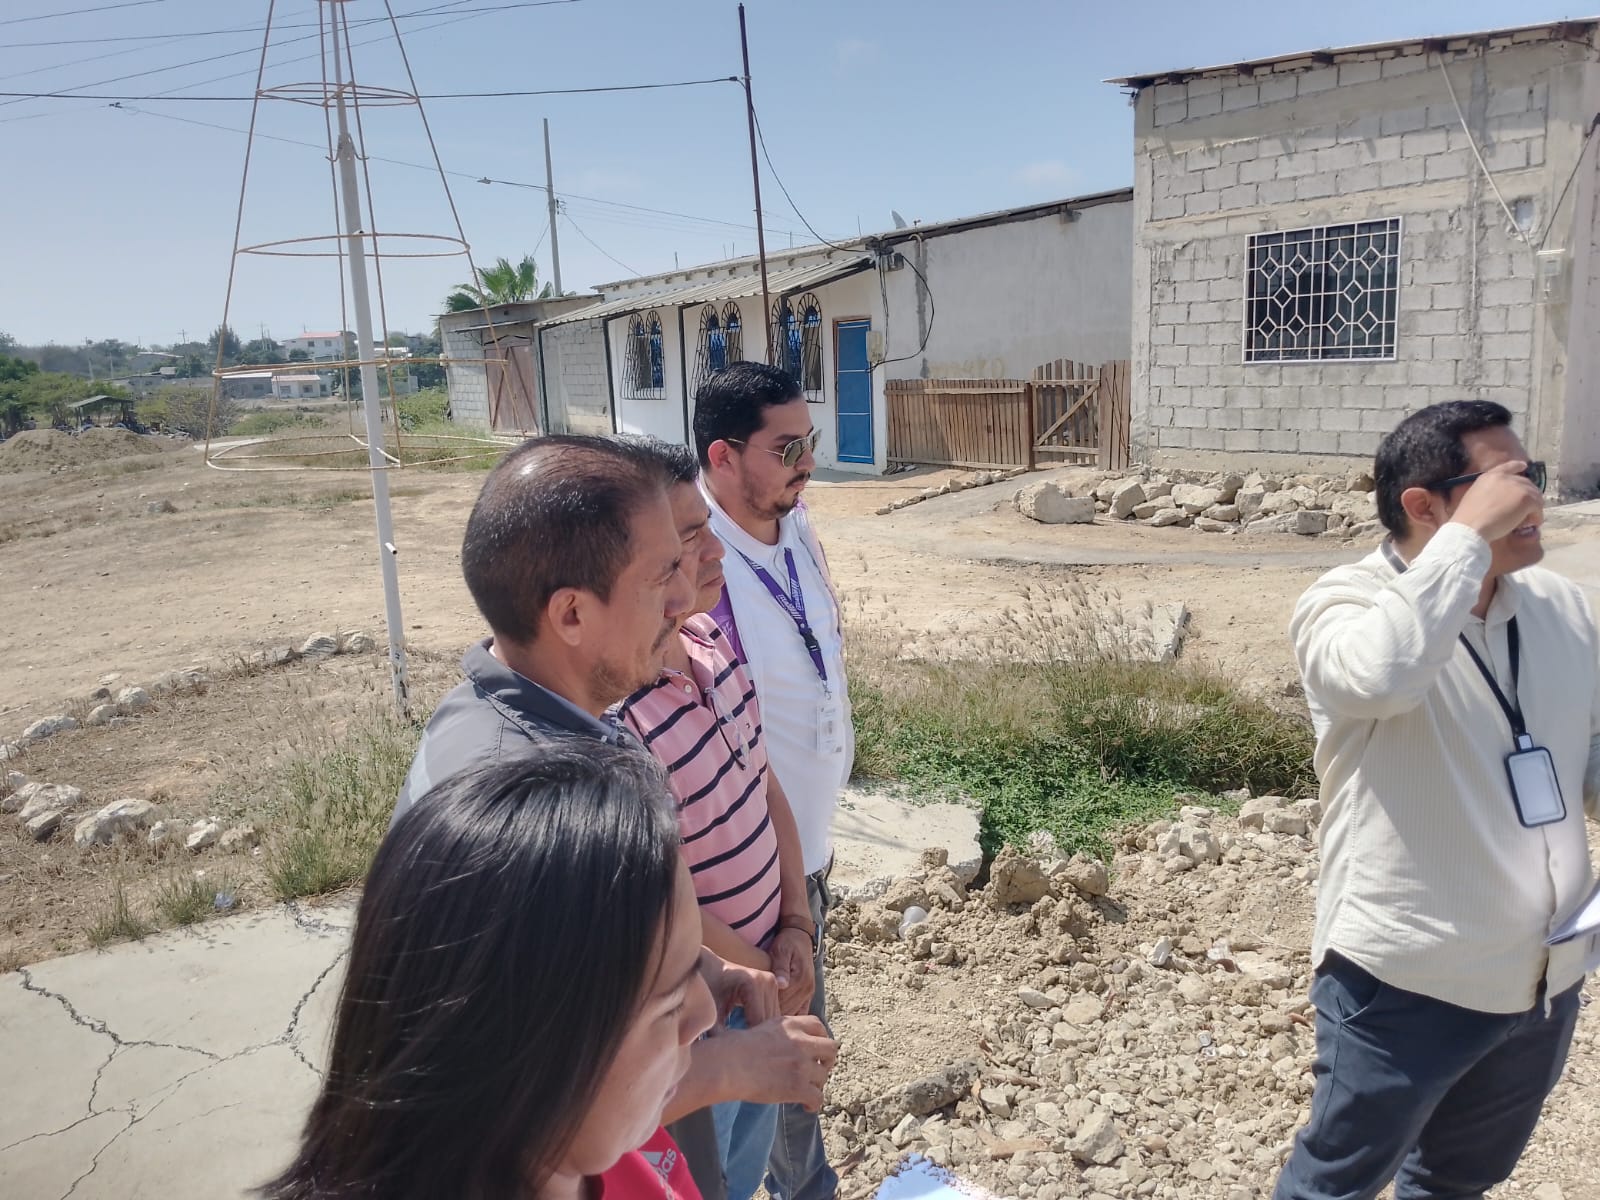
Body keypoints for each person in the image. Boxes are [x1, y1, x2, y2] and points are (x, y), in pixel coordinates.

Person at [392, 433, 835, 1200]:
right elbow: (535, 1107)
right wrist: (728, 1065)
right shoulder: (533, 808)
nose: (683, 598)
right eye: (662, 574)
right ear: (571, 612)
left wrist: (711, 970)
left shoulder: (540, 726)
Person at [1276, 400, 1599, 1200]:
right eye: (1506, 483)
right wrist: (1466, 542)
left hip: (1545, 977)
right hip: (1409, 982)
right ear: (1423, 506)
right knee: (1334, 1187)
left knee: (1456, 1182)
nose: (1533, 499)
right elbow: (1381, 679)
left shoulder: (1559, 607)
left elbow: (1580, 757)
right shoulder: (1344, 604)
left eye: (1534, 476)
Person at [263, 746, 718, 1200]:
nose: (707, 1014)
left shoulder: (617, 1148)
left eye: (693, 971)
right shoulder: (596, 1140)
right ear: (520, 1046)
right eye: (672, 1003)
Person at [618, 439, 821, 1200]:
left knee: (749, 1163)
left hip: (766, 978)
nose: (712, 552)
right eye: (683, 543)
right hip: (708, 1006)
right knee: (710, 1180)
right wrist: (760, 967)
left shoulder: (712, 642)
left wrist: (796, 924)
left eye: (705, 529)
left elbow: (764, 786)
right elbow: (657, 896)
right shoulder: (617, 716)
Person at [693, 362, 848, 1200]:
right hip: (737, 901)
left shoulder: (796, 526)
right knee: (761, 1075)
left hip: (801, 865)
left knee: (796, 1059)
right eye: (787, 448)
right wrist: (773, 920)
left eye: (810, 442)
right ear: (722, 456)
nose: (807, 463)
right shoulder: (696, 571)